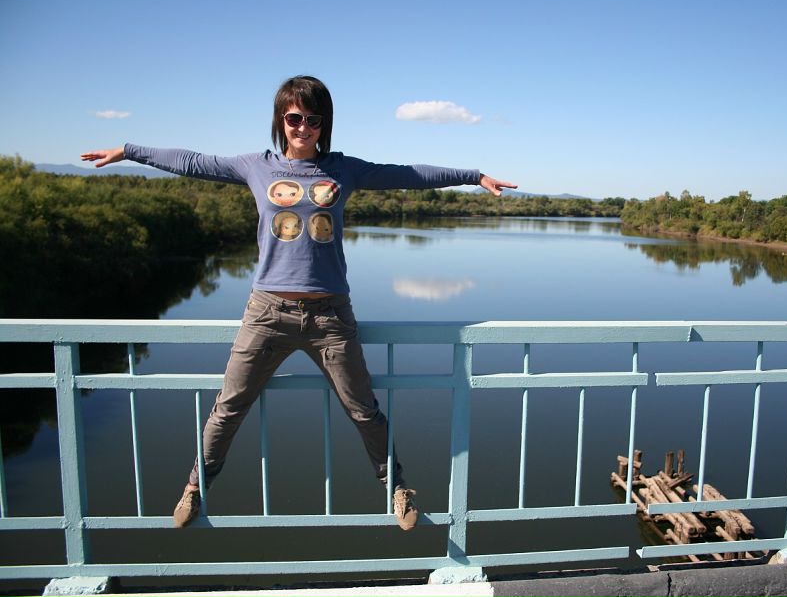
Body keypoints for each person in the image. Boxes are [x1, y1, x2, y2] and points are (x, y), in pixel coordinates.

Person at [81, 75, 517, 531]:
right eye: (294, 118)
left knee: (363, 410)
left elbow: (409, 175)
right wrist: (128, 150)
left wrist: (473, 176)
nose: (303, 127)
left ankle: (396, 487)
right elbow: (192, 161)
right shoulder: (257, 166)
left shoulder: (343, 170)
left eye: (313, 119)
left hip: (330, 317)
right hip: (268, 313)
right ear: (280, 120)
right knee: (229, 407)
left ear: (324, 124)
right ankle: (195, 488)